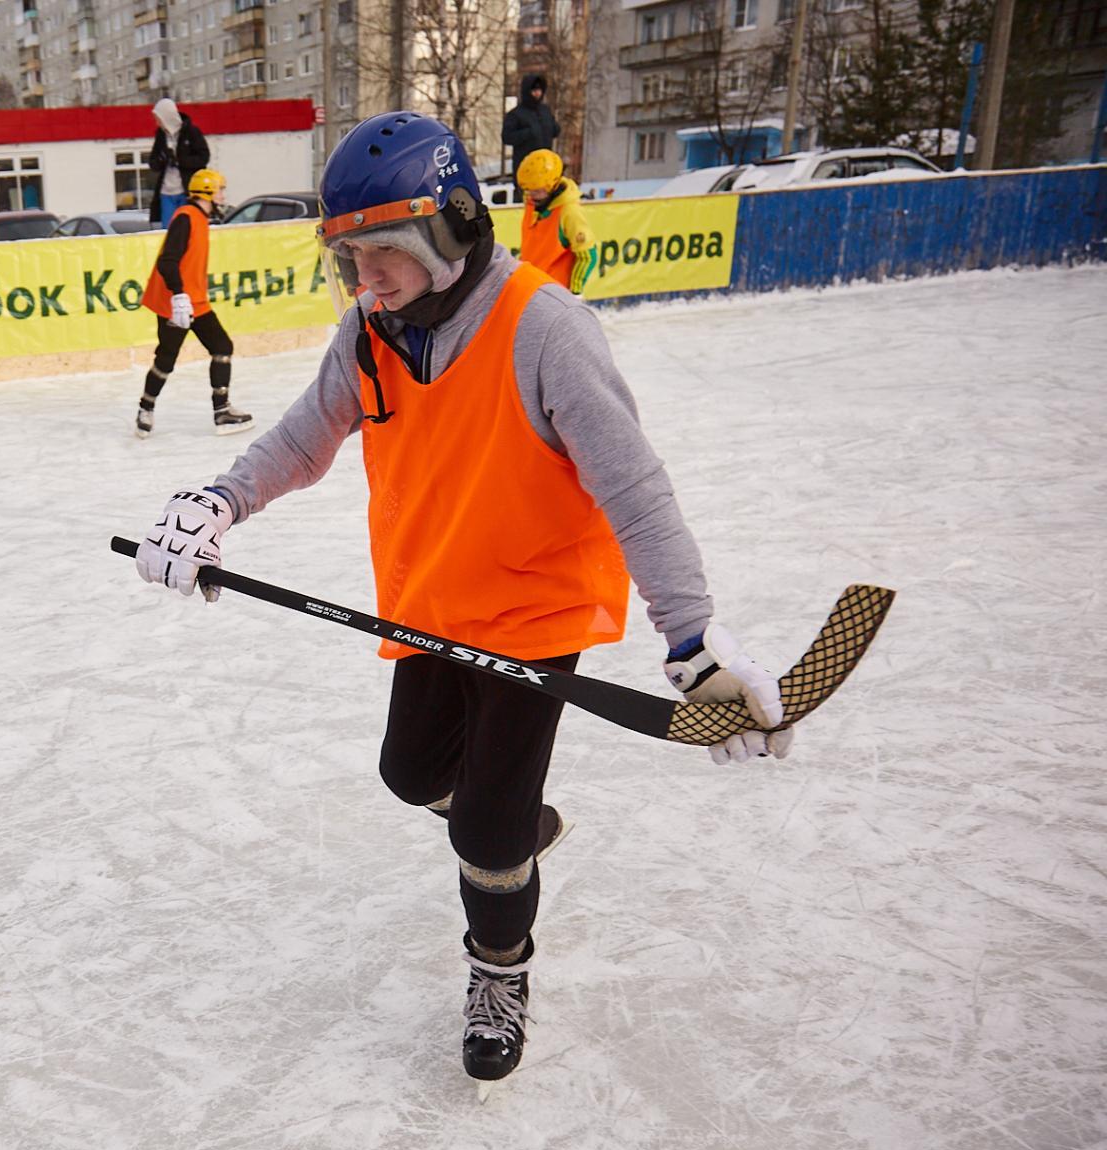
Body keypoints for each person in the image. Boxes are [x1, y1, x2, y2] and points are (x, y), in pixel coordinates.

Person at [131, 112, 791, 1093]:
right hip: (430, 602)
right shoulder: (368, 332)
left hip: (534, 610)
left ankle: (498, 969)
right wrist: (220, 499)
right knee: (409, 773)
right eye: (345, 259)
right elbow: (304, 438)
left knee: (482, 831)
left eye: (382, 254)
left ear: (446, 227)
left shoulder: (543, 329)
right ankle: (513, 821)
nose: (364, 280)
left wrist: (689, 636)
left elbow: (632, 486)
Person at [136, 167, 254, 439]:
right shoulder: (186, 217)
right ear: (208, 192)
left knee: (222, 346)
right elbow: (168, 262)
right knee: (166, 359)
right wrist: (178, 295)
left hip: (195, 301)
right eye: (220, 189)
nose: (223, 194)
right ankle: (145, 409)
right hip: (174, 302)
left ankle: (222, 410)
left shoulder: (200, 218)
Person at [516, 148, 596, 295]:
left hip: (554, 295)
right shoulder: (533, 202)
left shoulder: (569, 212)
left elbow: (587, 255)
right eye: (528, 190)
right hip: (529, 290)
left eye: (537, 191)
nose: (531, 197)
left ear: (553, 185)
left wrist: (574, 293)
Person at [147, 97, 210, 229]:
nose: (157, 123)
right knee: (168, 230)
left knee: (186, 227)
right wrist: (163, 159)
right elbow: (153, 162)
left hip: (186, 190)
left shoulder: (191, 132)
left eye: (158, 119)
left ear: (167, 116)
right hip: (166, 192)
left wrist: (180, 161)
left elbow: (203, 157)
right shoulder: (161, 135)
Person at [502, 74, 561, 196]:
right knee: (527, 198)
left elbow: (554, 129)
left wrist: (553, 128)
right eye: (534, 90)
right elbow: (507, 137)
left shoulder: (545, 111)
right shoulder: (516, 114)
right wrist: (528, 133)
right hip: (526, 168)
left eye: (539, 90)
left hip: (547, 167)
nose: (537, 94)